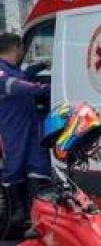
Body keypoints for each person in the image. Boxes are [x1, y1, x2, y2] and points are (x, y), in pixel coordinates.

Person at [0, 33, 52, 224]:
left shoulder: (12, 69)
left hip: (30, 128)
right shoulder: (1, 71)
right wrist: (46, 88)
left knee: (39, 167)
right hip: (11, 131)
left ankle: (36, 214)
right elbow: (16, 86)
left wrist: (40, 66)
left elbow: (22, 76)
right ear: (17, 47)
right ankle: (16, 213)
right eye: (23, 47)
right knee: (14, 169)